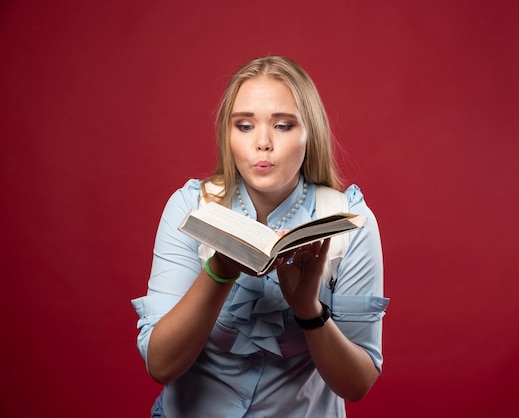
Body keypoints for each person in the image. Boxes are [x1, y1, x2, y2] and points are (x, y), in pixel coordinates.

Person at [132, 55, 389, 418]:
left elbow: (357, 383)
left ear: (308, 132)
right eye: (245, 126)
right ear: (228, 134)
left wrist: (308, 310)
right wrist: (219, 271)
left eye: (283, 126)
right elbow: (160, 364)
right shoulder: (190, 209)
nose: (263, 143)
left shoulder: (350, 222)